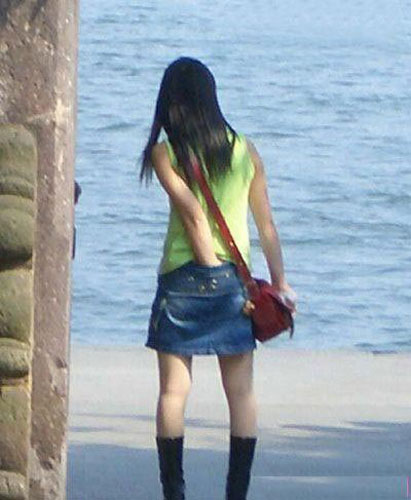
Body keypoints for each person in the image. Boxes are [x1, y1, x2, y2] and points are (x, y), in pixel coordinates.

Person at [140, 57, 296, 500]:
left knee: (173, 393)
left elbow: (192, 214)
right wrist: (280, 282)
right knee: (241, 394)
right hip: (235, 283)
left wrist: (207, 267)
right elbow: (267, 226)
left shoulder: (165, 152)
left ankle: (175, 494)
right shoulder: (246, 150)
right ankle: (236, 495)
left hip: (182, 280)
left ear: (172, 102)